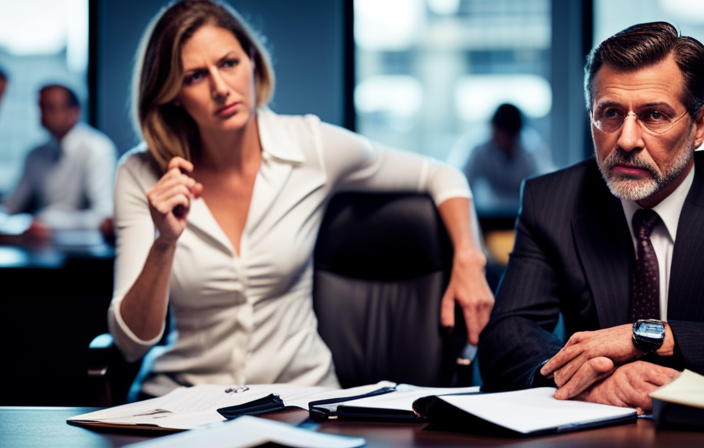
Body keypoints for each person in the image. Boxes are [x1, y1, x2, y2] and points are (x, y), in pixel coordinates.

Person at [108, 0, 494, 398]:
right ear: (171, 94)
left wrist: (469, 258)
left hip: (300, 399)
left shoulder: (310, 146)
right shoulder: (140, 173)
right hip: (182, 402)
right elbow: (130, 343)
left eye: (228, 63)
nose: (220, 88)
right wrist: (164, 243)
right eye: (194, 76)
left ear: (253, 61)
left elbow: (440, 173)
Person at [478, 22, 704, 414]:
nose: (627, 140)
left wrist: (647, 337)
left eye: (653, 115)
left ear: (699, 126)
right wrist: (591, 379)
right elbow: (506, 337)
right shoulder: (551, 201)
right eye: (610, 113)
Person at [1, 84, 117, 239]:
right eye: (41, 107)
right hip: (41, 247)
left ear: (74, 112)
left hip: (83, 251)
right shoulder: (35, 155)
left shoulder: (97, 150)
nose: (43, 114)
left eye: (51, 107)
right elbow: (11, 205)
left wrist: (49, 221)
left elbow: (104, 216)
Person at [462, 103, 551, 215]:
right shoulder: (480, 150)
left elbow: (544, 185)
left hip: (523, 213)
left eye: (507, 136)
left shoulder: (532, 150)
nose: (503, 140)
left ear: (516, 133)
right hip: (490, 213)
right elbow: (465, 181)